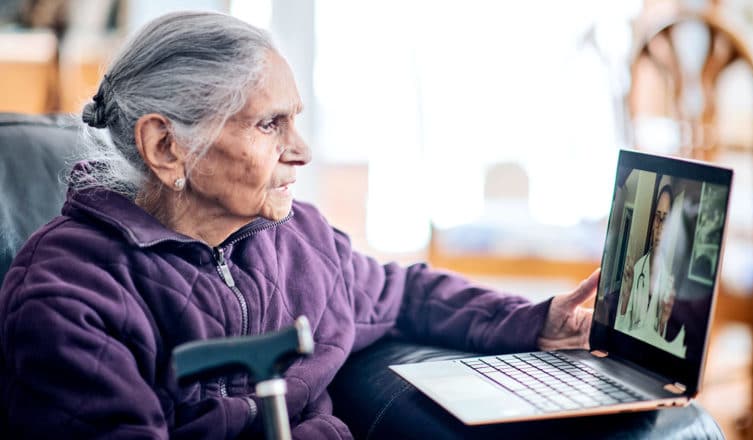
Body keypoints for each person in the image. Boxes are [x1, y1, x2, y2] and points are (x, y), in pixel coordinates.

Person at [0, 11, 598, 439]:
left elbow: (403, 293)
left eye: (296, 120)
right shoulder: (67, 292)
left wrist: (536, 320)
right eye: (269, 125)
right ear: (164, 145)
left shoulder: (300, 240)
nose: (302, 151)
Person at [616, 184, 678, 339]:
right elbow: (620, 328)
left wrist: (664, 321)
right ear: (652, 222)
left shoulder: (669, 282)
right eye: (658, 217)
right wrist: (626, 294)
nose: (660, 226)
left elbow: (661, 343)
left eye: (666, 219)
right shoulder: (638, 268)